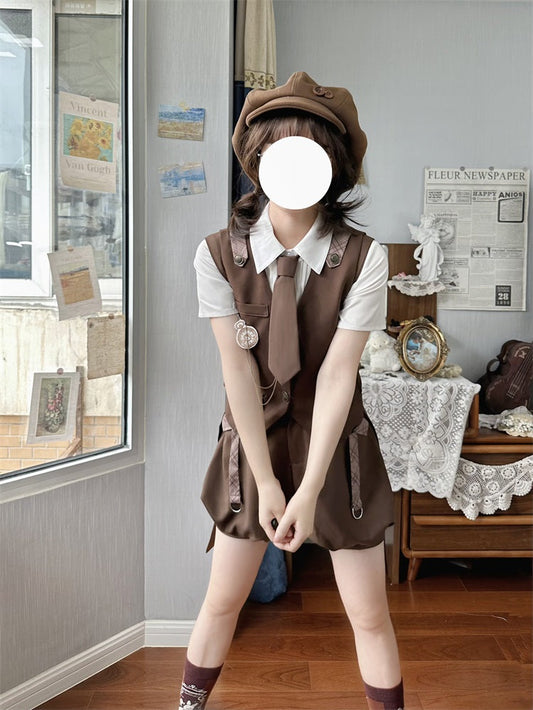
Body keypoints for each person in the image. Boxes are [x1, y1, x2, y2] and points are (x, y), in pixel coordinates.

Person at [180, 71, 404, 710]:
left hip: (336, 444)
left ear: (335, 168)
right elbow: (237, 372)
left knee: (368, 613)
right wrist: (268, 479)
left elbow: (337, 374)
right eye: (281, 150)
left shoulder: (364, 257)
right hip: (253, 443)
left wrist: (308, 488)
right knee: (222, 600)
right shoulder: (217, 256)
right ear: (257, 161)